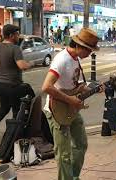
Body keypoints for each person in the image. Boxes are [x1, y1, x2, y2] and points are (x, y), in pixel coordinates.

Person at [41, 28, 103, 180]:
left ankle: (73, 176)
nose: (89, 54)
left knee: (81, 144)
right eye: (88, 50)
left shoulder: (76, 59)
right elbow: (46, 87)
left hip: (71, 108)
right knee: (64, 155)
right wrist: (71, 100)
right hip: (57, 111)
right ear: (79, 46)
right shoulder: (62, 60)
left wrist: (94, 89)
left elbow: (77, 86)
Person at [0, 24, 35, 146]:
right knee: (17, 112)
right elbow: (22, 66)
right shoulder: (15, 48)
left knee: (3, 108)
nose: (19, 36)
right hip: (13, 86)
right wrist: (31, 63)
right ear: (11, 35)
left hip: (0, 84)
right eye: (17, 34)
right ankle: (10, 141)